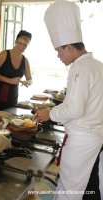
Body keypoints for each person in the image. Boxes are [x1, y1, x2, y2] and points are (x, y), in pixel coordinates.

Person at [36, 1, 103, 199]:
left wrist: (49, 113)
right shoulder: (97, 65)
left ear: (69, 47)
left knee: (69, 189)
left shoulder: (80, 68)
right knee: (81, 185)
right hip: (94, 136)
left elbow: (75, 109)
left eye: (59, 50)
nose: (58, 56)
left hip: (83, 138)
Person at [0, 30, 33, 111]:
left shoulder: (25, 60)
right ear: (15, 42)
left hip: (13, 97)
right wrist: (10, 80)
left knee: (11, 118)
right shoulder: (4, 54)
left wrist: (28, 82)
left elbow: (30, 78)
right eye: (20, 43)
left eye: (25, 45)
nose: (21, 47)